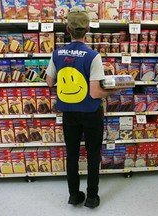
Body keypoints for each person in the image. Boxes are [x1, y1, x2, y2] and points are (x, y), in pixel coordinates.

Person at [46, 8, 119, 208]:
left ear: (67, 28)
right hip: (90, 112)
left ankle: (73, 195)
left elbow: (49, 82)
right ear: (87, 28)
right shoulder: (93, 55)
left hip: (69, 112)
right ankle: (92, 197)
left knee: (72, 154)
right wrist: (113, 91)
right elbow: (95, 93)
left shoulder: (57, 53)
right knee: (93, 154)